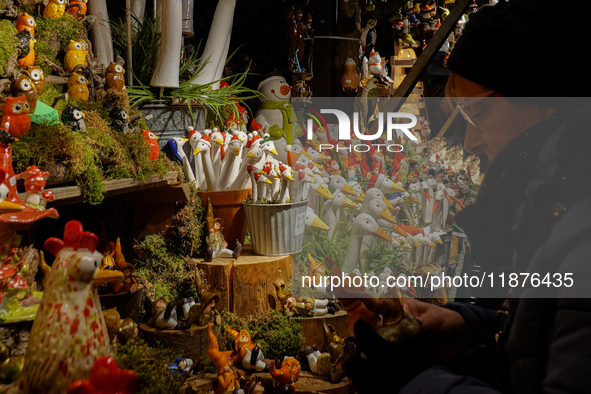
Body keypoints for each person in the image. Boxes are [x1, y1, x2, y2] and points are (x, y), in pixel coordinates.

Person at [342, 0, 591, 393]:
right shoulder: (550, 213)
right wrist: (471, 329)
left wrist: (417, 381)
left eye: (479, 115)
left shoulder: (580, 237)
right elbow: (544, 348)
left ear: (542, 103)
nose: (472, 141)